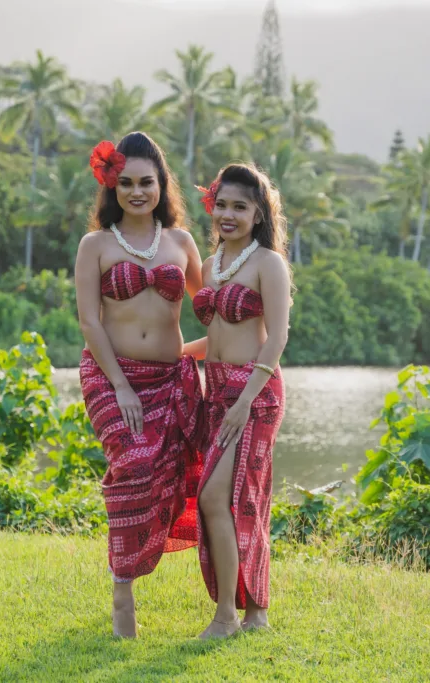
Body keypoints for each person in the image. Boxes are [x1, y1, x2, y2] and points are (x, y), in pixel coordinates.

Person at [75, 132, 207, 639]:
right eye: (125, 182)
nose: (136, 191)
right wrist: (122, 387)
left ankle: (137, 567)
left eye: (146, 182)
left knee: (170, 477)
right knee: (131, 465)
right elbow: (90, 322)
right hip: (112, 376)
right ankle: (122, 588)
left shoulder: (179, 243)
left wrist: (189, 357)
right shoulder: (97, 245)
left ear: (161, 185)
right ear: (111, 185)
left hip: (168, 378)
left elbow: (211, 312)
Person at [192, 163, 292, 639]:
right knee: (240, 500)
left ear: (258, 213)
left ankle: (226, 616)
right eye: (223, 205)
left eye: (240, 207)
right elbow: (214, 338)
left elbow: (276, 338)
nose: (228, 215)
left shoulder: (267, 263)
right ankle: (255, 613)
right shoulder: (212, 266)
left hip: (254, 392)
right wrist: (174, 354)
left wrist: (245, 399)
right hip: (218, 390)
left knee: (217, 496)